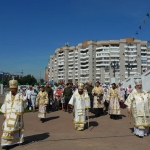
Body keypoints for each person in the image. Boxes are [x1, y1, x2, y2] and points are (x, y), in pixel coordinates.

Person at [0, 79, 27, 148]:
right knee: (7, 128)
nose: (12, 90)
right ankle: (6, 143)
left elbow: (25, 105)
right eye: (11, 88)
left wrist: (24, 100)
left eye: (13, 89)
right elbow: (5, 104)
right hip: (9, 115)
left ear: (16, 88)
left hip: (17, 116)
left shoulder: (20, 95)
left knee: (16, 129)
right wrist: (5, 114)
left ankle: (17, 141)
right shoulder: (7, 95)